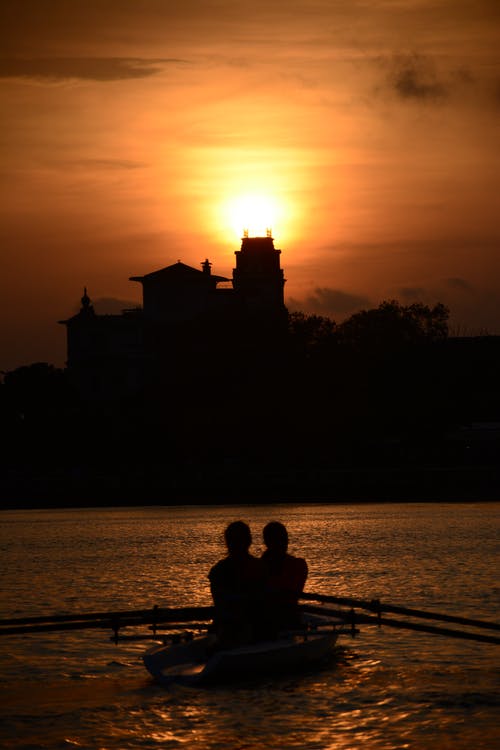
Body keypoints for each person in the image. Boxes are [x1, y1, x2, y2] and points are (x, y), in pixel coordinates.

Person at [208, 521, 266, 647]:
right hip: (242, 627)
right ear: (249, 541)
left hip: (238, 627)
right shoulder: (260, 567)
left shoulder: (217, 570)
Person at [260, 521, 308, 633]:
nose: (285, 543)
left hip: (285, 619)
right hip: (271, 621)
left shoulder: (298, 565)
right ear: (267, 542)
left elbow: (293, 594)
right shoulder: (257, 567)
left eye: (284, 539)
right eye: (280, 539)